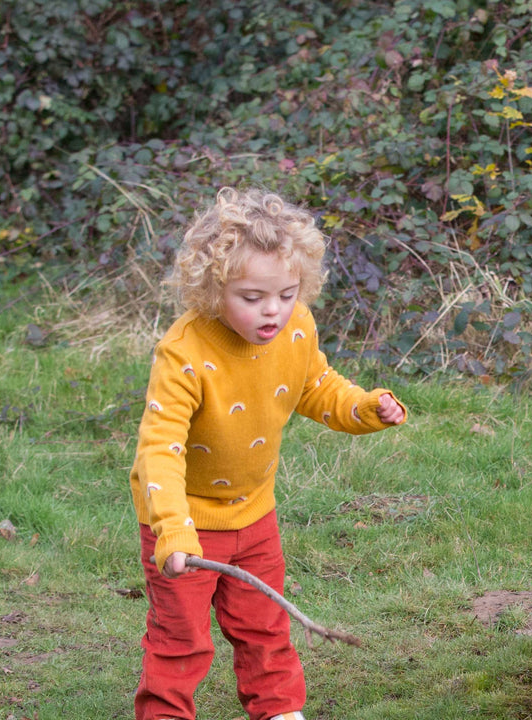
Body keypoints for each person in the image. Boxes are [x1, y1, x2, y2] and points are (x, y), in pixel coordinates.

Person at [130, 187, 407, 720]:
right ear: (213, 289)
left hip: (256, 513)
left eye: (286, 293)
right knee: (180, 639)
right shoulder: (184, 351)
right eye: (252, 297)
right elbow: (158, 450)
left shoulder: (296, 326)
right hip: (183, 518)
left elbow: (317, 387)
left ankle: (279, 712)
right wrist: (173, 528)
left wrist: (367, 408)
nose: (273, 311)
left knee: (264, 627)